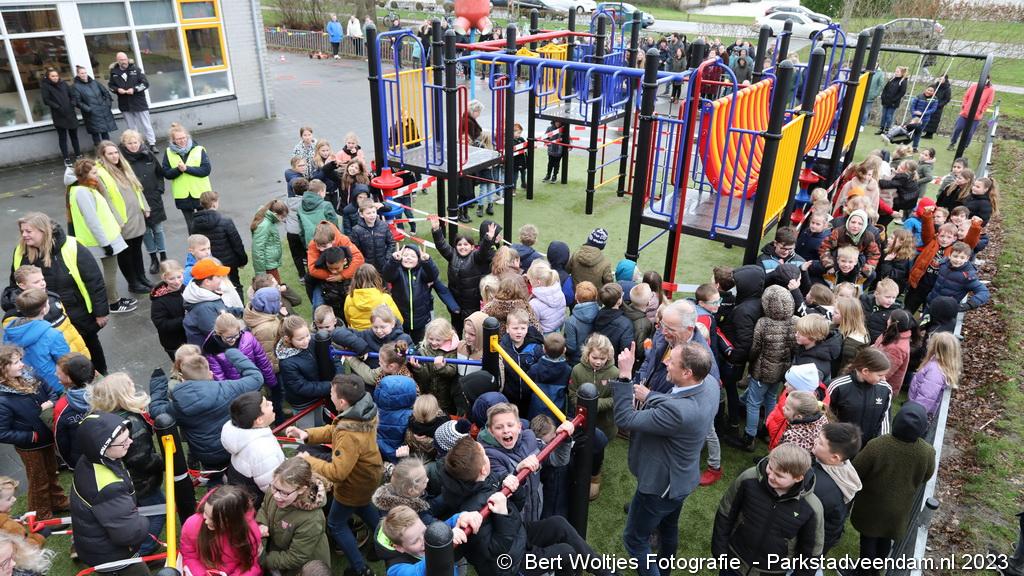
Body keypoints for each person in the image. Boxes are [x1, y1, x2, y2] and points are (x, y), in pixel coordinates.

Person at [612, 341, 719, 576]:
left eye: (672, 361)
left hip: (659, 487)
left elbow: (624, 419)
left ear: (687, 373)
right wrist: (651, 396)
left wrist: (624, 375)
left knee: (635, 540)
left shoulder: (678, 412)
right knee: (668, 528)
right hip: (682, 479)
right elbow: (678, 402)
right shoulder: (709, 383)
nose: (666, 363)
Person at [284, 375, 383, 576]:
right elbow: (335, 429)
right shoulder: (361, 412)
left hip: (354, 484)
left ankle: (361, 569)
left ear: (342, 402)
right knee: (364, 507)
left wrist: (309, 460)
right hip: (368, 476)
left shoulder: (349, 433)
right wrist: (307, 434)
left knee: (336, 524)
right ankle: (387, 541)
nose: (329, 395)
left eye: (332, 393)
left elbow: (337, 473)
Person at [10, 213, 110, 372]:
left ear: (43, 230)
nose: (24, 235)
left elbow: (94, 280)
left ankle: (100, 374)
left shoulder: (72, 246)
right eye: (22, 231)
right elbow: (15, 284)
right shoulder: (20, 251)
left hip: (77, 314)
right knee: (59, 356)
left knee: (89, 347)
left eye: (28, 231)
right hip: (43, 318)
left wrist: (101, 312)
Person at [149, 347, 264, 478]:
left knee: (214, 479)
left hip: (207, 455)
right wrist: (232, 352)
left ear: (183, 379)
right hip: (234, 444)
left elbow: (156, 410)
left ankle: (216, 486)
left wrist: (158, 382)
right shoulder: (229, 388)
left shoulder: (178, 407)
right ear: (210, 374)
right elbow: (256, 378)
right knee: (241, 474)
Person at [712, 443, 825, 576]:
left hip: (772, 571)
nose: (771, 476)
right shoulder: (748, 479)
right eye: (770, 467)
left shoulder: (812, 507)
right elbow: (725, 513)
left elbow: (811, 550)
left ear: (798, 478)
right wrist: (720, 552)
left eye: (779, 475)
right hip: (734, 561)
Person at [852, 402, 936, 575]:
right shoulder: (927, 452)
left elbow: (857, 470)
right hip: (899, 508)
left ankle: (864, 573)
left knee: (868, 539)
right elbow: (926, 476)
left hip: (872, 505)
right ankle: (876, 569)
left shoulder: (877, 445)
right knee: (885, 539)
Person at [88, 373, 166, 556]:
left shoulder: (101, 418)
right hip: (141, 483)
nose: (134, 387)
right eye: (130, 385)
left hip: (119, 480)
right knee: (158, 512)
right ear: (122, 394)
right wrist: (163, 461)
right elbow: (141, 460)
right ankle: (143, 550)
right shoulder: (131, 424)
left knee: (135, 513)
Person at [69, 411, 151, 575]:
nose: (130, 442)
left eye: (128, 437)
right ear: (103, 448)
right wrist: (143, 522)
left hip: (96, 546)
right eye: (122, 442)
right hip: (115, 557)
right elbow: (129, 533)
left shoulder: (89, 459)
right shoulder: (109, 487)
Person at [0, 345, 66, 522]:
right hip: (30, 447)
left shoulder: (31, 376)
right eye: (16, 362)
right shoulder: (2, 399)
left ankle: (58, 501)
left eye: (20, 360)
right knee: (39, 481)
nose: (22, 364)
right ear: (3, 368)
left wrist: (51, 402)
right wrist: (31, 437)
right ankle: (40, 516)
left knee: (52, 472)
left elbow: (51, 391)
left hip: (47, 437)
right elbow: (2, 432)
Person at [67, 159, 138, 311]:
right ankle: (113, 303)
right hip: (102, 240)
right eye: (94, 173)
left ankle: (115, 298)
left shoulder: (81, 189)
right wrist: (105, 244)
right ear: (84, 175)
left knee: (110, 270)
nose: (97, 175)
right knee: (110, 272)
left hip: (104, 237)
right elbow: (92, 220)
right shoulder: (83, 192)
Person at [257, 458, 333, 575]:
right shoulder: (278, 489)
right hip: (279, 549)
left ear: (302, 489)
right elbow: (264, 508)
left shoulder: (312, 519)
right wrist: (262, 524)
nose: (276, 496)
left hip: (302, 567)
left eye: (284, 493)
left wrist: (264, 558)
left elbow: (296, 557)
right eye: (274, 487)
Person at [96, 139, 152, 294]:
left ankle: (141, 277)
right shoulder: (101, 173)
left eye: (116, 153)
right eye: (110, 154)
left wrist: (145, 206)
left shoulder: (124, 167)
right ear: (103, 156)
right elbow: (106, 199)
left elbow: (137, 188)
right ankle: (133, 282)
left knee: (137, 249)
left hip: (135, 215)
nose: (115, 156)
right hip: (122, 219)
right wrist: (117, 219)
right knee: (126, 252)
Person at [180, 485, 262, 576]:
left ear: (232, 521)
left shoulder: (250, 534)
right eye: (205, 512)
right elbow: (189, 555)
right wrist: (203, 574)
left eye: (212, 519)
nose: (205, 519)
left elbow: (249, 565)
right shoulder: (192, 525)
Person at [221, 391, 285, 503]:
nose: (271, 403)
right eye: (266, 404)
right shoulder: (263, 450)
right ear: (259, 420)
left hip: (243, 494)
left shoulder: (242, 433)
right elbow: (273, 488)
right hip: (258, 503)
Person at [2, 289, 70, 393]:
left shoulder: (11, 331)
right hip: (54, 385)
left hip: (25, 384)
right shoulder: (52, 334)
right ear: (44, 309)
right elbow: (66, 362)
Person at [119, 130, 167, 273]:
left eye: (135, 142)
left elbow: (159, 173)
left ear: (140, 142)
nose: (133, 146)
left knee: (158, 229)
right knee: (145, 231)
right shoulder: (122, 161)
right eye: (130, 143)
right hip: (136, 202)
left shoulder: (148, 155)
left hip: (153, 197)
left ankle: (163, 256)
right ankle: (153, 258)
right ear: (124, 144)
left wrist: (159, 189)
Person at [826, 347, 892, 447]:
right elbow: (824, 413)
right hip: (839, 445)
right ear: (865, 371)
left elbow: (885, 419)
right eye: (880, 375)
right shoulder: (837, 386)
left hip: (867, 447)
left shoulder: (885, 389)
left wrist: (880, 444)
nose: (884, 379)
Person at [193, 191, 248, 297]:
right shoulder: (226, 221)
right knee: (235, 287)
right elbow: (236, 243)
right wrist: (242, 260)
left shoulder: (195, 223)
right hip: (229, 263)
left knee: (215, 290)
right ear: (214, 203)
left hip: (209, 264)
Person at [163, 123, 212, 232]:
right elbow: (166, 174)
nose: (182, 141)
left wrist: (186, 169)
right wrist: (178, 170)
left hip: (201, 194)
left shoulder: (199, 149)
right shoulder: (168, 152)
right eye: (178, 139)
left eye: (184, 138)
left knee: (206, 225)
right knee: (191, 227)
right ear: (173, 140)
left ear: (187, 136)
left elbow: (206, 170)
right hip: (183, 196)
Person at [108, 52, 155, 152]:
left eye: (125, 59)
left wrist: (134, 89)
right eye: (121, 60)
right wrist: (117, 90)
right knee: (131, 128)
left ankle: (152, 144)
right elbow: (111, 86)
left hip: (139, 102)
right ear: (117, 61)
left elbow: (145, 84)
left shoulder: (136, 70)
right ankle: (137, 145)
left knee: (146, 125)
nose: (124, 62)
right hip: (125, 104)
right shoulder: (114, 72)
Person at [908, 332, 961, 418]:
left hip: (916, 413)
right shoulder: (939, 364)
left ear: (936, 348)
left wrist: (913, 415)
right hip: (915, 408)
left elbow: (926, 397)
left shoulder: (935, 372)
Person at [40, 68, 81, 166]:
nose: (55, 78)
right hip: (59, 115)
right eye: (52, 76)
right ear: (48, 77)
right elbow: (46, 100)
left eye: (56, 76)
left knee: (74, 136)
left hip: (70, 113)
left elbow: (72, 95)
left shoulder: (63, 84)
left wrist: (73, 103)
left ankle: (78, 155)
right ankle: (66, 158)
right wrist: (57, 107)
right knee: (63, 138)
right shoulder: (45, 86)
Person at [72, 65, 117, 147]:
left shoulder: (95, 83)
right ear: (78, 74)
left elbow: (106, 93)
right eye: (82, 73)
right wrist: (89, 109)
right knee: (96, 135)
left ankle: (109, 150)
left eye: (85, 73)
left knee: (105, 133)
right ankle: (99, 152)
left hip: (103, 111)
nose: (84, 75)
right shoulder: (76, 86)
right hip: (91, 114)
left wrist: (107, 104)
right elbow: (78, 102)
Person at [948, 78, 995, 151]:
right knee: (958, 128)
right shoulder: (974, 86)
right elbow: (966, 96)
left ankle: (964, 146)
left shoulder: (991, 90)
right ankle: (952, 143)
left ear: (988, 80)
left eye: (986, 79)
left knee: (970, 133)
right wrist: (964, 105)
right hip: (965, 113)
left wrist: (982, 110)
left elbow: (988, 102)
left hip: (976, 116)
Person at [250, 199, 290, 282]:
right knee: (275, 287)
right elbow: (257, 251)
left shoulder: (269, 221)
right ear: (275, 214)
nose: (282, 220)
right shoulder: (264, 225)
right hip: (267, 268)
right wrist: (261, 274)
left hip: (270, 265)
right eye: (282, 217)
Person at [877, 66, 907, 135]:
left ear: (902, 73)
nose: (896, 73)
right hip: (885, 101)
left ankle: (887, 129)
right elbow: (885, 89)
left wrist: (894, 100)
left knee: (889, 116)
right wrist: (883, 97)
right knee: (884, 115)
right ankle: (881, 128)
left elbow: (902, 92)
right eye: (895, 71)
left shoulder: (903, 81)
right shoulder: (892, 79)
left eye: (898, 72)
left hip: (893, 103)